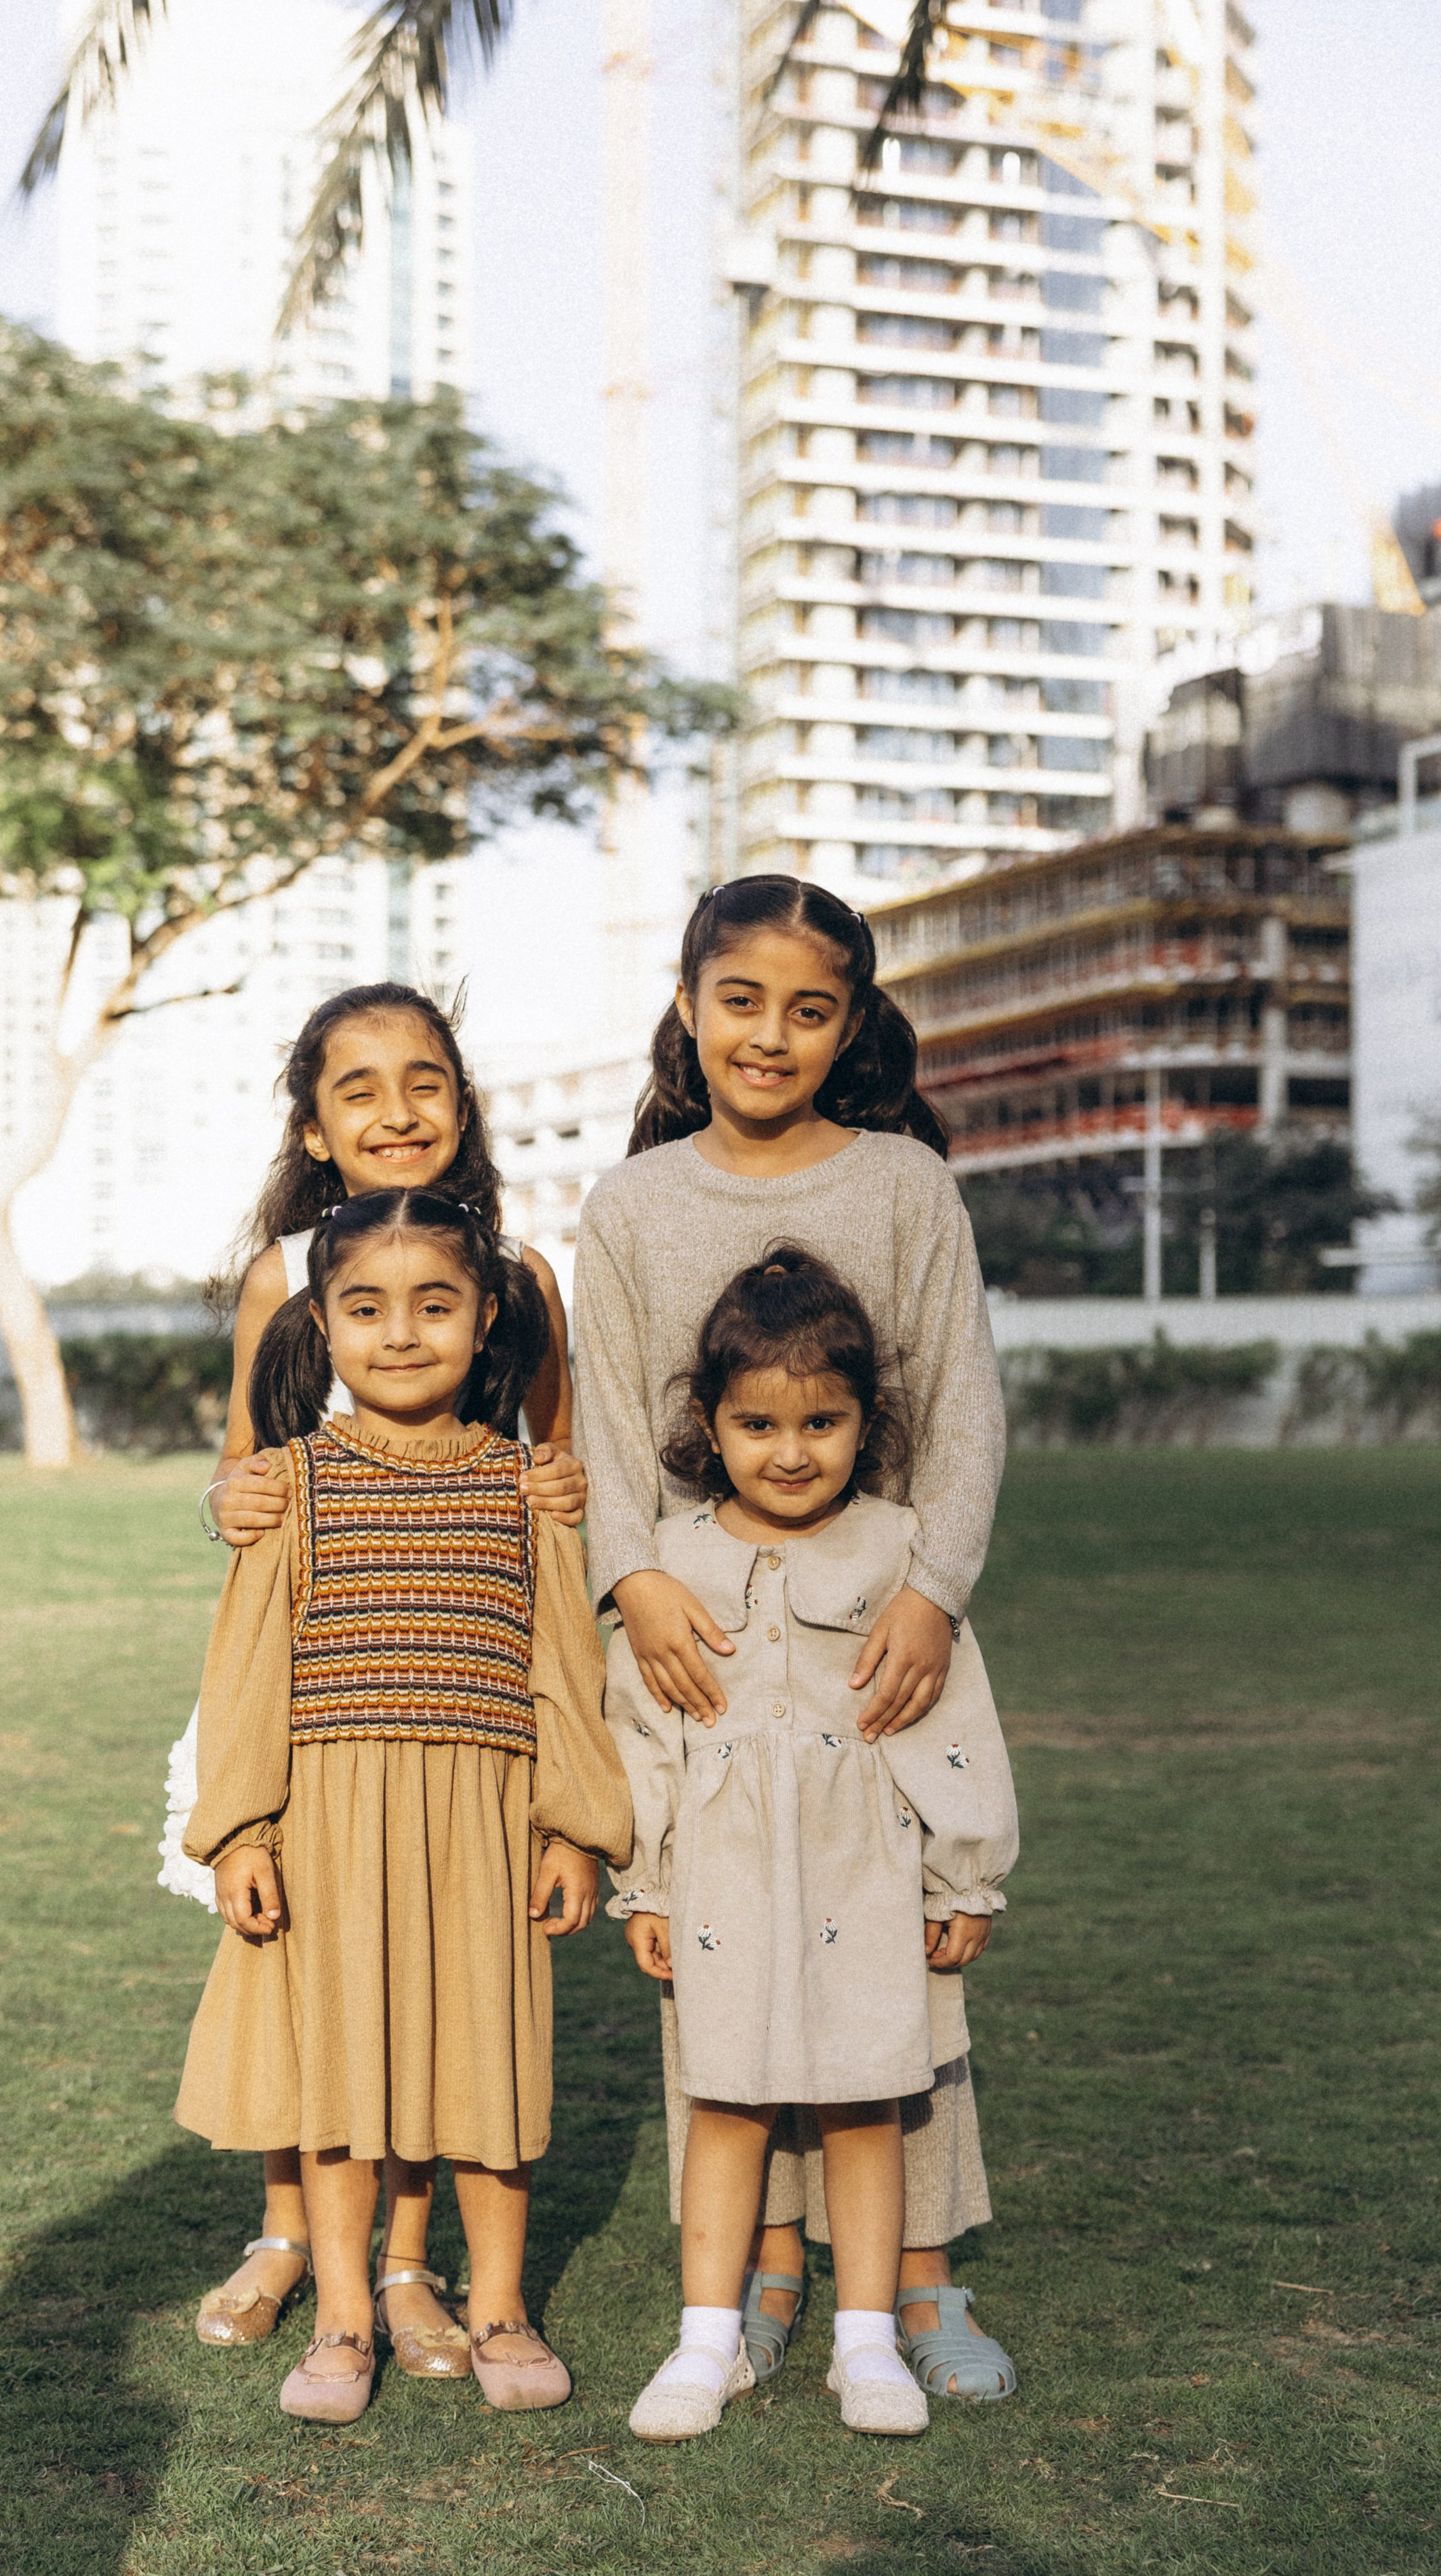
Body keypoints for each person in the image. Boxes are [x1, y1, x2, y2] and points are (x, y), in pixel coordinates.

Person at [573, 874, 1017, 2406]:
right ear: (688, 1006)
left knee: (903, 1975)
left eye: (808, 1008)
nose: (769, 1034)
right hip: (696, 1629)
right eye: (740, 1000)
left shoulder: (903, 1186)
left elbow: (961, 1408)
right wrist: (633, 1584)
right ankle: (758, 2274)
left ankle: (918, 2280)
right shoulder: (632, 1204)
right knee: (725, 1959)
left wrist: (932, 1591)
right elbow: (608, 1424)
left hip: (872, 1636)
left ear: (851, 1025)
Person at [162, 981, 584, 2371]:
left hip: (459, 1677)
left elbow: (552, 1455)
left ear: (461, 1105)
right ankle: (289, 2239)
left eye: (424, 1081)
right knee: (308, 1973)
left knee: (426, 1976)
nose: (396, 1111)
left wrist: (559, 1488)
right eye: (360, 1089)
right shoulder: (284, 1272)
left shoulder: (515, 1275)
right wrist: (232, 1499)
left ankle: (406, 2268)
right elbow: (243, 1456)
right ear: (314, 1126)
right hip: (319, 1669)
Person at [607, 1248, 1017, 2439]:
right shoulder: (669, 1564)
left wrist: (966, 1875)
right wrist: (646, 1885)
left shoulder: (901, 1555)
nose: (791, 1452)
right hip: (724, 1874)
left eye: (821, 1423)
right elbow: (642, 1732)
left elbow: (950, 1720)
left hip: (863, 1871)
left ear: (864, 1420)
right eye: (759, 1424)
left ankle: (867, 2346)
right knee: (726, 2102)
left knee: (867, 2104)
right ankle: (707, 2342)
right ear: (709, 1422)